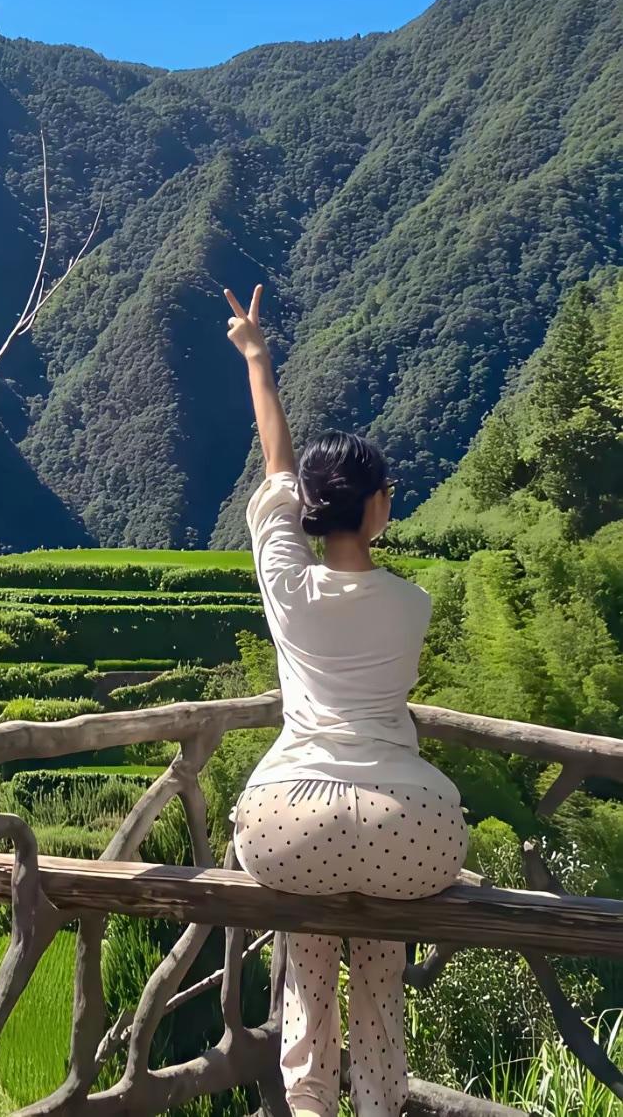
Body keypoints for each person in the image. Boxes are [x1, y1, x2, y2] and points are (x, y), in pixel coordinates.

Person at [222, 281, 468, 1117]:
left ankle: (308, 1102)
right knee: (379, 970)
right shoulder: (413, 604)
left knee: (308, 956)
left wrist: (258, 360)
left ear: (312, 510)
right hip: (409, 827)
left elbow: (277, 472)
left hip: (289, 823)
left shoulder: (287, 587)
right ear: (377, 508)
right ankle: (380, 1102)